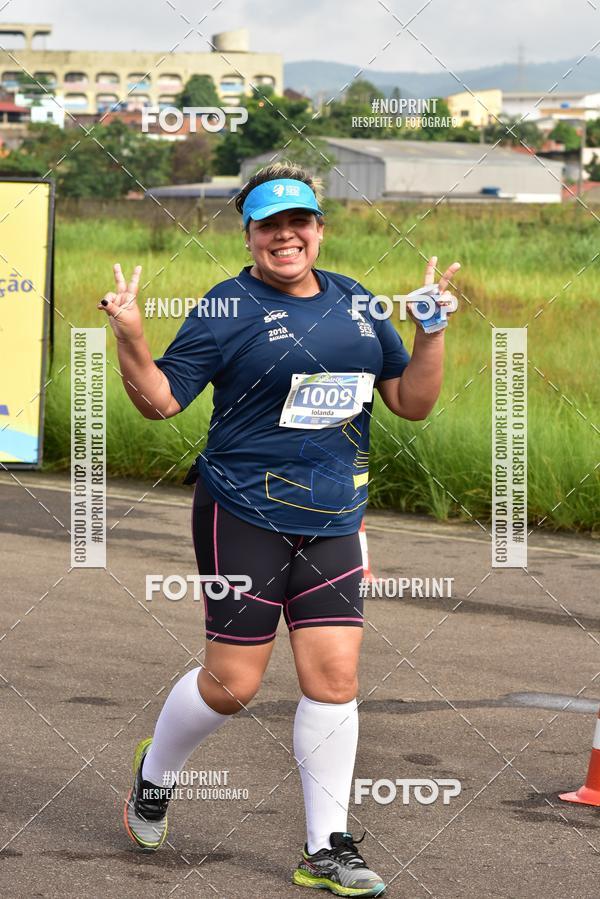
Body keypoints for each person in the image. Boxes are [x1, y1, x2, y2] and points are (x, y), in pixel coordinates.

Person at [98, 162, 460, 897]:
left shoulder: (358, 304)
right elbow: (162, 402)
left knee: (336, 676)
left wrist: (429, 334)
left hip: (334, 517)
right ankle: (155, 773)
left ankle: (326, 846)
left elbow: (410, 404)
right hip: (244, 510)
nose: (285, 236)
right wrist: (132, 337)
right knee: (234, 684)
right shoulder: (225, 307)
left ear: (319, 229)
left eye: (299, 222)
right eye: (269, 226)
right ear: (251, 235)